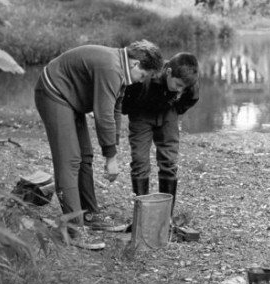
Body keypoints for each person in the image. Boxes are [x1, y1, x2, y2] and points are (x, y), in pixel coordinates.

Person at [34, 40, 164, 250]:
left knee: (85, 156)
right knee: (69, 160)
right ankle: (73, 229)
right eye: (144, 76)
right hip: (53, 92)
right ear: (136, 64)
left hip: (70, 98)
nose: (142, 81)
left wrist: (113, 149)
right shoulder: (111, 68)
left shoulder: (121, 69)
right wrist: (110, 158)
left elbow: (115, 110)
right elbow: (103, 115)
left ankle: (89, 214)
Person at [122, 52, 199, 221]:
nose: (180, 89)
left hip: (168, 113)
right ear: (169, 72)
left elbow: (192, 98)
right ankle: (141, 217)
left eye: (183, 88)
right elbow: (125, 97)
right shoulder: (148, 75)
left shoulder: (188, 82)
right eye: (178, 84)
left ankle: (166, 217)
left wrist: (175, 108)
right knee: (140, 161)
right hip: (141, 114)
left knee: (169, 162)